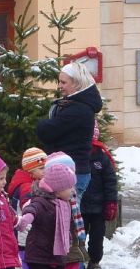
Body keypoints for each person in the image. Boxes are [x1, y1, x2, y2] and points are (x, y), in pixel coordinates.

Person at [15, 164, 85, 269]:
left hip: (58, 253)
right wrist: (25, 220)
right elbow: (31, 210)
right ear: (57, 189)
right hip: (39, 254)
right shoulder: (41, 201)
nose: (72, 191)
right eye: (69, 187)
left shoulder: (63, 203)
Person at [36, 62, 102, 201]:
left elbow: (46, 131)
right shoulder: (76, 105)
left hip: (73, 172)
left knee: (68, 217)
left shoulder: (78, 110)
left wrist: (41, 124)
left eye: (63, 82)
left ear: (76, 83)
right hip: (70, 169)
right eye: (59, 81)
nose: (59, 86)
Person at [8, 147, 47, 269]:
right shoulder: (26, 187)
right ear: (31, 170)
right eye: (42, 168)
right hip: (25, 237)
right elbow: (28, 209)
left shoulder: (30, 182)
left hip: (27, 236)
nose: (46, 172)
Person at [80, 124, 118, 269]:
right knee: (79, 237)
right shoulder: (77, 156)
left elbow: (110, 181)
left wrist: (110, 203)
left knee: (97, 238)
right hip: (80, 207)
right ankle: (78, 263)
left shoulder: (102, 157)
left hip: (98, 208)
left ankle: (94, 262)